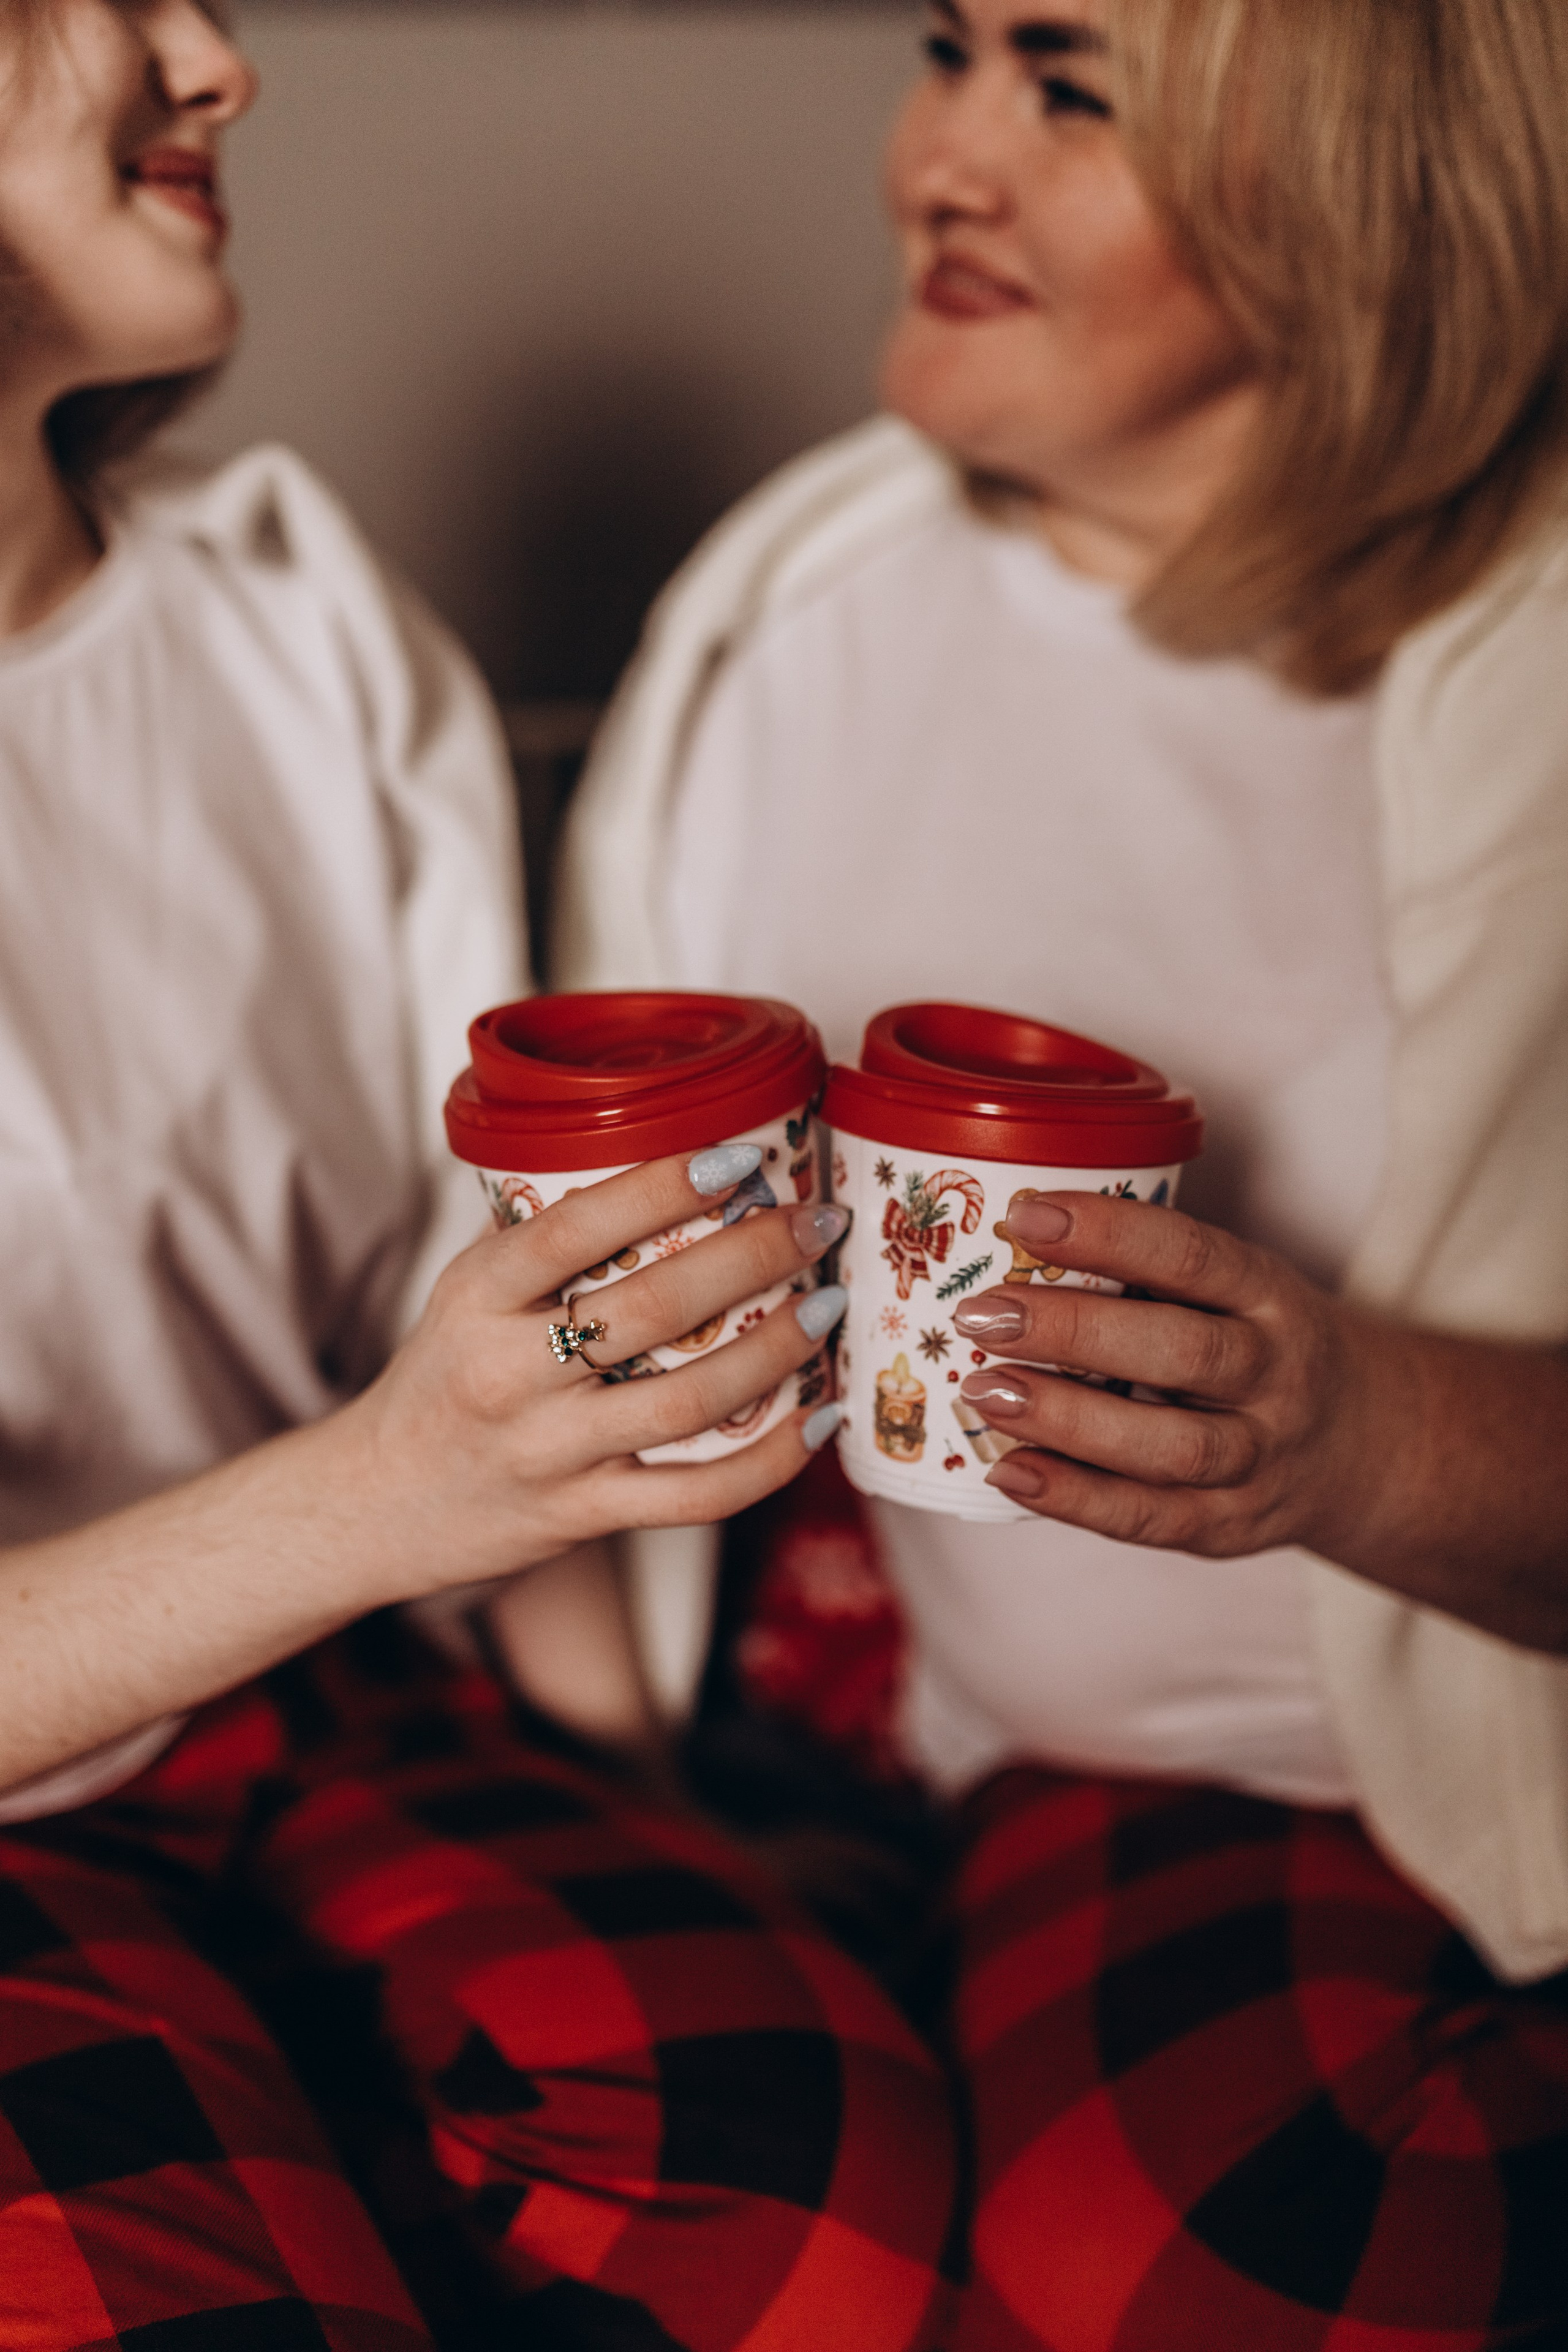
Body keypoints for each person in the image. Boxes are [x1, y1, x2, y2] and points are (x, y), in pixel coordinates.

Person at [556, 0, 1568, 2340]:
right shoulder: (792, 607)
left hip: (1417, 1781)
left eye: (1070, 87)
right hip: (1022, 1758)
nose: (943, 159)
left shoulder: (1522, 683)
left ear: (1363, 204)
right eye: (947, 49)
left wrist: (1359, 1431)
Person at [0, 6, 973, 2346]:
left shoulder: (290, 618)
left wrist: (645, 1789)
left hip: (338, 1690)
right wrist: (391, 1494)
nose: (214, 57)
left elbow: (502, 1295)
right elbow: (419, 1466)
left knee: (799, 2187)